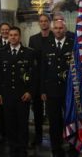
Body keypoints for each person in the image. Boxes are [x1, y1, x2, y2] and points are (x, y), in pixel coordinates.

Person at [0, 26, 36, 157]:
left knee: (23, 123)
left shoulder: (29, 52)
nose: (13, 37)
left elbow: (33, 74)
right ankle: (13, 147)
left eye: (15, 35)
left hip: (23, 94)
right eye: (11, 35)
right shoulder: (1, 52)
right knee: (10, 123)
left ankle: (22, 148)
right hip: (7, 95)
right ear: (8, 36)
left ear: (20, 37)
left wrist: (30, 91)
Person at [40, 19, 74, 157]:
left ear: (65, 29)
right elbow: (42, 70)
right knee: (54, 122)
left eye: (61, 28)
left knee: (71, 121)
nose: (58, 30)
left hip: (69, 91)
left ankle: (73, 147)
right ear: (52, 30)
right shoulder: (46, 45)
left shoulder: (72, 44)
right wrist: (42, 90)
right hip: (52, 91)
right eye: (56, 28)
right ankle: (56, 149)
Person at [28, 14, 54, 146]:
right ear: (39, 23)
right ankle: (38, 136)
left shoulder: (55, 37)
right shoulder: (33, 39)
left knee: (53, 110)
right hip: (37, 78)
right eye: (41, 21)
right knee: (37, 109)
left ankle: (55, 136)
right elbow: (31, 59)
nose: (43, 23)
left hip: (52, 78)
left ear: (50, 23)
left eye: (46, 21)